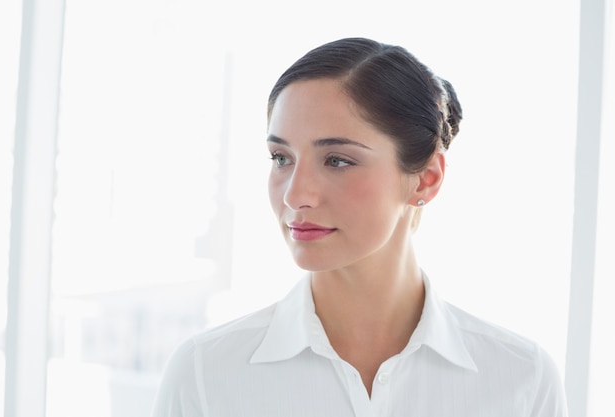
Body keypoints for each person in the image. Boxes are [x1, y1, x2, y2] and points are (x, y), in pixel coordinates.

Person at [151, 37, 568, 416]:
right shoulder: (205, 375)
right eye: (281, 158)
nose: (296, 196)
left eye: (337, 160)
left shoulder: (521, 381)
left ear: (426, 177)